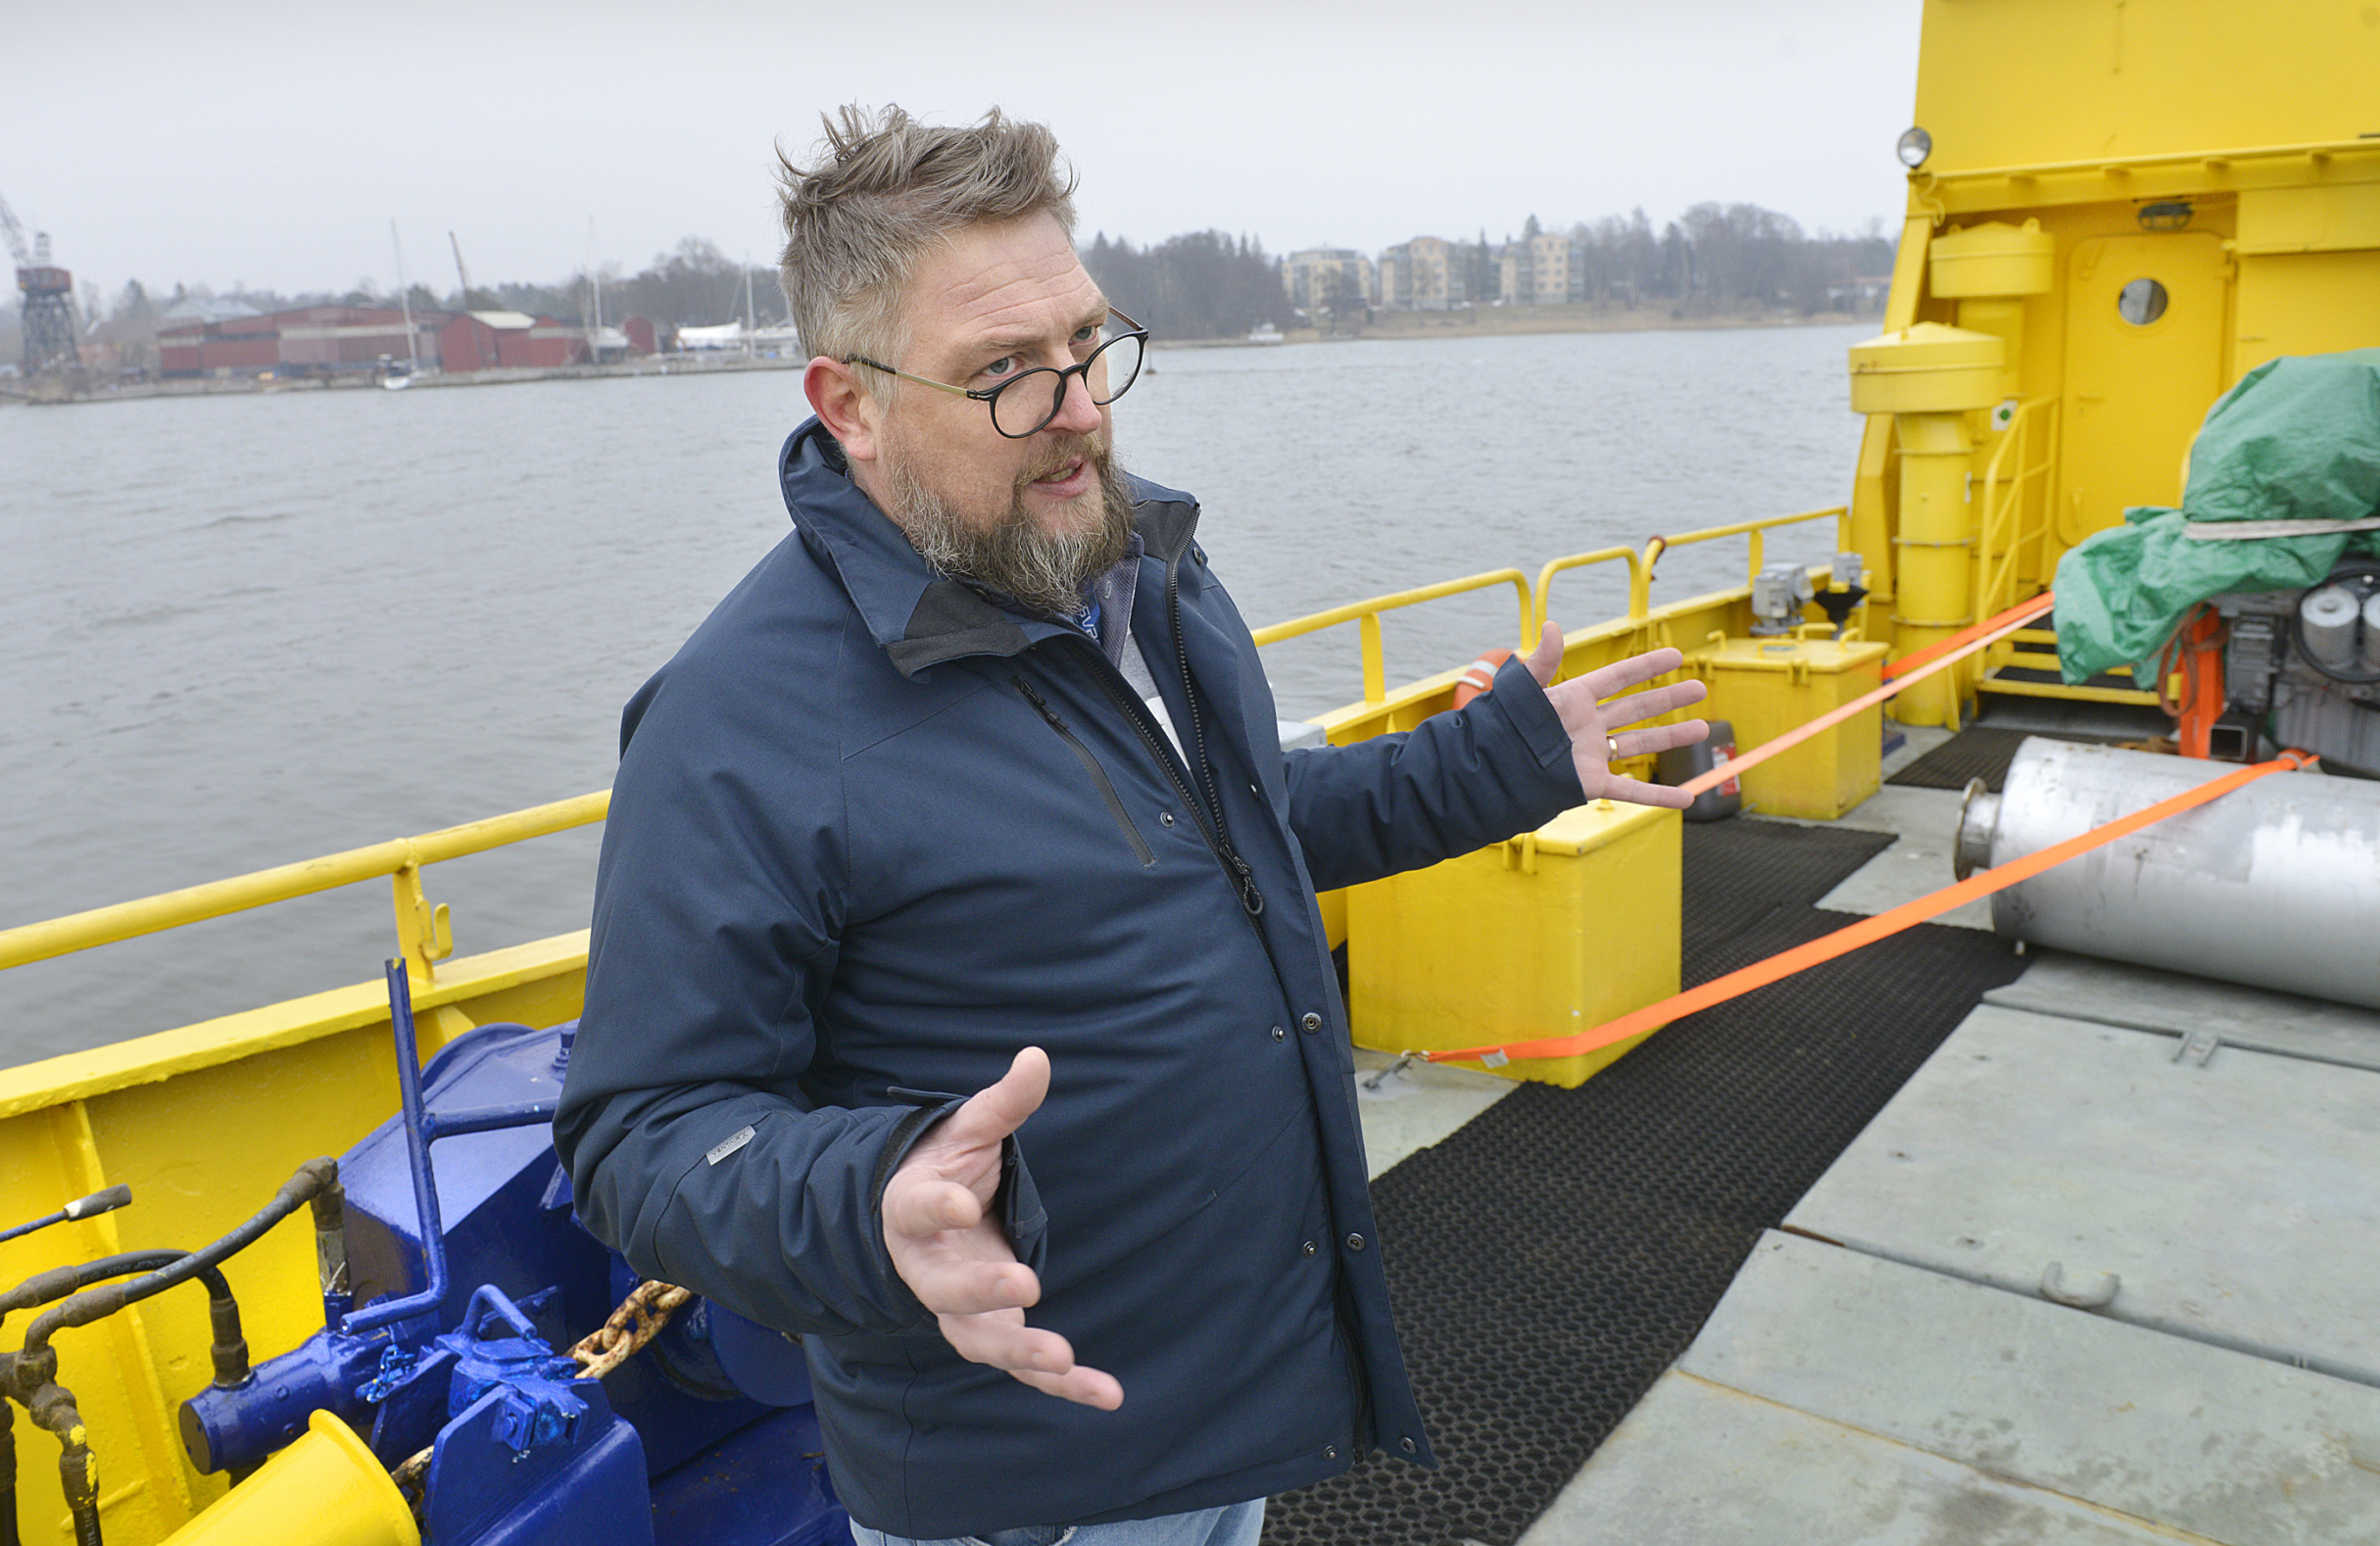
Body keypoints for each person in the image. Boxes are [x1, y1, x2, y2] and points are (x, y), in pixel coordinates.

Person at [555, 106, 1708, 1546]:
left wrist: (1500, 765)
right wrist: (870, 1200)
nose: (1082, 411)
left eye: (1089, 343)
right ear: (850, 404)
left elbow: (1236, 828)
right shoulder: (740, 721)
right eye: (1004, 373)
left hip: (1239, 1392)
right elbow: (642, 1127)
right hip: (1026, 1475)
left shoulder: (1133, 554)